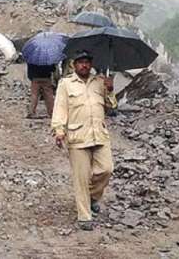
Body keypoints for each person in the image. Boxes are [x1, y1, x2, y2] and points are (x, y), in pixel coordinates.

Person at [51, 51, 113, 231]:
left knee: (106, 170)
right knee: (81, 178)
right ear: (74, 65)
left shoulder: (100, 82)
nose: (84, 65)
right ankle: (84, 216)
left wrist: (110, 90)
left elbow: (112, 108)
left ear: (91, 64)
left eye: (87, 62)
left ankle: (92, 197)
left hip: (99, 134)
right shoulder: (66, 84)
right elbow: (60, 108)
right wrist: (58, 130)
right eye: (81, 62)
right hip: (77, 136)